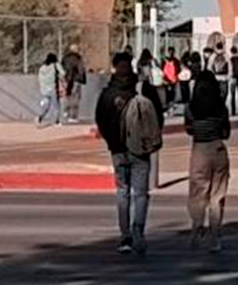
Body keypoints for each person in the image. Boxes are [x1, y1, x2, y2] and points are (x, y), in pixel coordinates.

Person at [95, 51, 164, 255]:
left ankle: (125, 236)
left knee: (122, 193)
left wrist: (112, 141)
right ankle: (138, 231)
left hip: (117, 151)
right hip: (140, 151)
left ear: (115, 67)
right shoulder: (143, 89)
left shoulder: (107, 94)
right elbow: (157, 117)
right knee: (141, 194)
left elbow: (100, 120)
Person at [185, 71, 231, 253]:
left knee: (198, 193)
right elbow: (226, 132)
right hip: (218, 149)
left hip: (199, 150)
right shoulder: (221, 107)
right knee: (217, 194)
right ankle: (215, 237)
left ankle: (196, 230)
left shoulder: (191, 108)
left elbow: (188, 129)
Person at [36, 53, 64, 128]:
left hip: (44, 88)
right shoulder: (55, 65)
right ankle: (56, 121)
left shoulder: (42, 67)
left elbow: (40, 78)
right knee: (56, 105)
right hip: (53, 87)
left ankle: (40, 117)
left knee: (46, 105)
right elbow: (63, 73)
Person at [61, 44, 86, 124]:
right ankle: (73, 116)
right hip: (76, 80)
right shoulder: (78, 58)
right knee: (75, 97)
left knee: (67, 96)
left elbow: (62, 68)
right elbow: (81, 70)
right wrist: (82, 79)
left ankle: (66, 113)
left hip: (67, 79)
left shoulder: (65, 58)